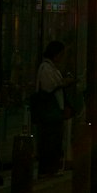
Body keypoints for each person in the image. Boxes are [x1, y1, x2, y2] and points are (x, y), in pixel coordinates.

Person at [32, 40, 70, 175]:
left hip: (55, 110)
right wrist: (63, 83)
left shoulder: (52, 68)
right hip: (49, 111)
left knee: (55, 140)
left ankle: (52, 167)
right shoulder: (45, 68)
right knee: (49, 140)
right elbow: (49, 87)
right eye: (61, 54)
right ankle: (47, 168)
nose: (62, 57)